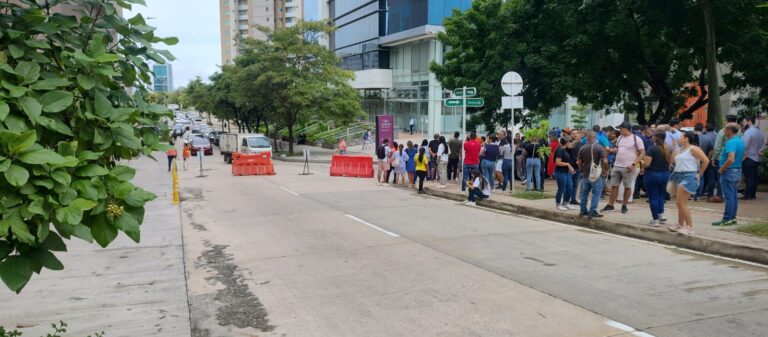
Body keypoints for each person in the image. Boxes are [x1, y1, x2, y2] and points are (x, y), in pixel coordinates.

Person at [669, 131, 710, 235]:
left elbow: (706, 160)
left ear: (686, 138)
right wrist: (674, 148)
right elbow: (672, 161)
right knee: (680, 203)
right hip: (678, 176)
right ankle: (680, 224)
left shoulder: (694, 148)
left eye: (681, 136)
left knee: (681, 203)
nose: (678, 138)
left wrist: (699, 174)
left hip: (689, 176)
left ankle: (690, 226)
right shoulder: (680, 149)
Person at [602, 122, 645, 214]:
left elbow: (642, 153)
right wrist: (613, 150)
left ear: (626, 129)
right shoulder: (620, 138)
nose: (619, 130)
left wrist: (633, 164)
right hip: (617, 165)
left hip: (629, 167)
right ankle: (610, 205)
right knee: (614, 186)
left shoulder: (636, 139)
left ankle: (624, 205)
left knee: (627, 187)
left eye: (620, 129)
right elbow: (618, 148)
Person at [713, 123, 745, 226]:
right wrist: (737, 164)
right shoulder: (740, 141)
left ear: (730, 131)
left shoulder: (731, 142)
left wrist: (722, 169)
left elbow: (731, 158)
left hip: (729, 171)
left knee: (729, 196)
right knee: (734, 196)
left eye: (725, 129)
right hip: (737, 170)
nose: (723, 131)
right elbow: (745, 155)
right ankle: (733, 218)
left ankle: (727, 219)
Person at [643, 131, 672, 226]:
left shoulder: (652, 149)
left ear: (655, 138)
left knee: (653, 197)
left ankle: (655, 219)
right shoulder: (668, 149)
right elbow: (670, 163)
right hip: (665, 174)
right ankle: (660, 214)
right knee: (661, 195)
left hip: (652, 175)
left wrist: (637, 164)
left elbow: (647, 163)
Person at [577, 131, 609, 218]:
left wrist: (581, 170)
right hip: (596, 174)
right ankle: (593, 211)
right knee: (596, 193)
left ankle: (583, 210)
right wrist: (606, 169)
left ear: (587, 137)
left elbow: (579, 161)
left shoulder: (582, 148)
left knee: (584, 193)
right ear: (595, 137)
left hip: (585, 174)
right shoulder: (599, 147)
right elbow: (605, 161)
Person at [709, 115, 739, 203]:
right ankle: (730, 195)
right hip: (736, 158)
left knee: (721, 177)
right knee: (733, 179)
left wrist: (714, 158)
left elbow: (717, 146)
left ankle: (720, 195)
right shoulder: (739, 132)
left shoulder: (722, 131)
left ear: (727, 121)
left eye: (725, 121)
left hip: (723, 157)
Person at [741, 116, 764, 200]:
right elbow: (762, 144)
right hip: (756, 157)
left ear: (749, 122)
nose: (743, 124)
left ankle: (748, 195)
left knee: (748, 177)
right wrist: (759, 151)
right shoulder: (759, 131)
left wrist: (743, 155)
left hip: (748, 157)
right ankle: (752, 194)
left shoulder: (748, 132)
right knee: (753, 177)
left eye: (744, 122)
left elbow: (745, 146)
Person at [554, 138, 576, 211]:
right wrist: (568, 164)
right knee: (561, 188)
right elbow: (557, 162)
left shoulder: (565, 150)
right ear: (566, 143)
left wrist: (570, 167)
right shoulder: (560, 150)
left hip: (566, 172)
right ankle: (558, 204)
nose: (570, 144)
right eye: (569, 142)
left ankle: (566, 203)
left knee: (570, 188)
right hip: (560, 172)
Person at [696, 123, 717, 200]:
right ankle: (705, 194)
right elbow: (712, 149)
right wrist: (707, 158)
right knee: (706, 177)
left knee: (697, 176)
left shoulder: (692, 137)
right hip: (708, 159)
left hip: (695, 160)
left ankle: (695, 193)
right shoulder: (714, 136)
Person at [567, 130, 583, 204]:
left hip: (577, 166)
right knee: (569, 184)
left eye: (576, 133)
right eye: (573, 134)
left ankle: (573, 199)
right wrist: (576, 140)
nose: (575, 135)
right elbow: (569, 147)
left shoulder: (580, 143)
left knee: (575, 184)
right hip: (570, 166)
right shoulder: (568, 141)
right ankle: (566, 199)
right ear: (570, 135)